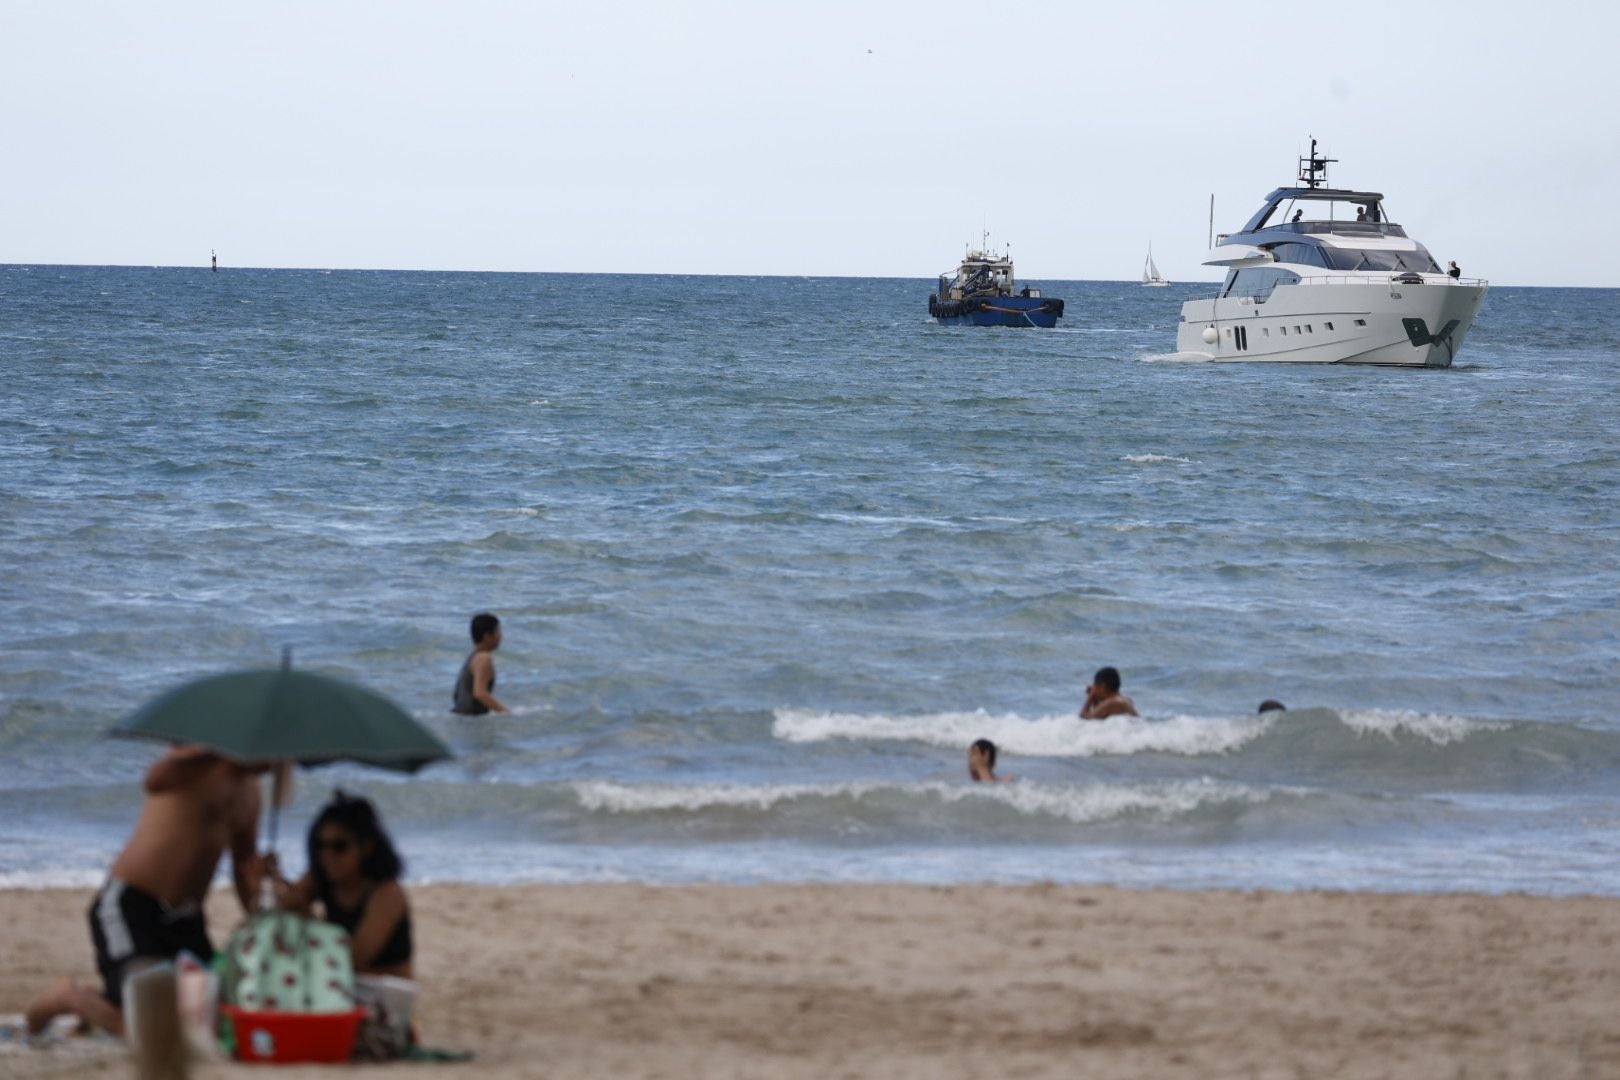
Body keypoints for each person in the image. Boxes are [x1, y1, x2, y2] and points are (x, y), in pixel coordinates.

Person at [26, 746, 272, 1035]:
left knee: (208, 1024)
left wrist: (263, 907)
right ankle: (69, 997)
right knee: (148, 1028)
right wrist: (217, 754)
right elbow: (154, 779)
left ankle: (107, 1004)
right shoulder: (201, 762)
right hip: (131, 906)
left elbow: (243, 866)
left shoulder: (250, 794)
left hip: (185, 921)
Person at [272, 792, 413, 979]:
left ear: (366, 847)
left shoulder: (386, 893)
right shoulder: (323, 877)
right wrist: (267, 881)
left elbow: (355, 958)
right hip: (338, 983)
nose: (327, 855)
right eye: (321, 845)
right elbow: (276, 913)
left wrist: (310, 921)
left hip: (384, 990)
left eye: (339, 846)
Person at [452, 611, 508, 715]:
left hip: (461, 718)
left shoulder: (472, 658)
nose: (501, 636)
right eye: (498, 631)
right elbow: (480, 693)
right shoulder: (484, 658)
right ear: (487, 636)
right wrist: (507, 713)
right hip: (470, 721)